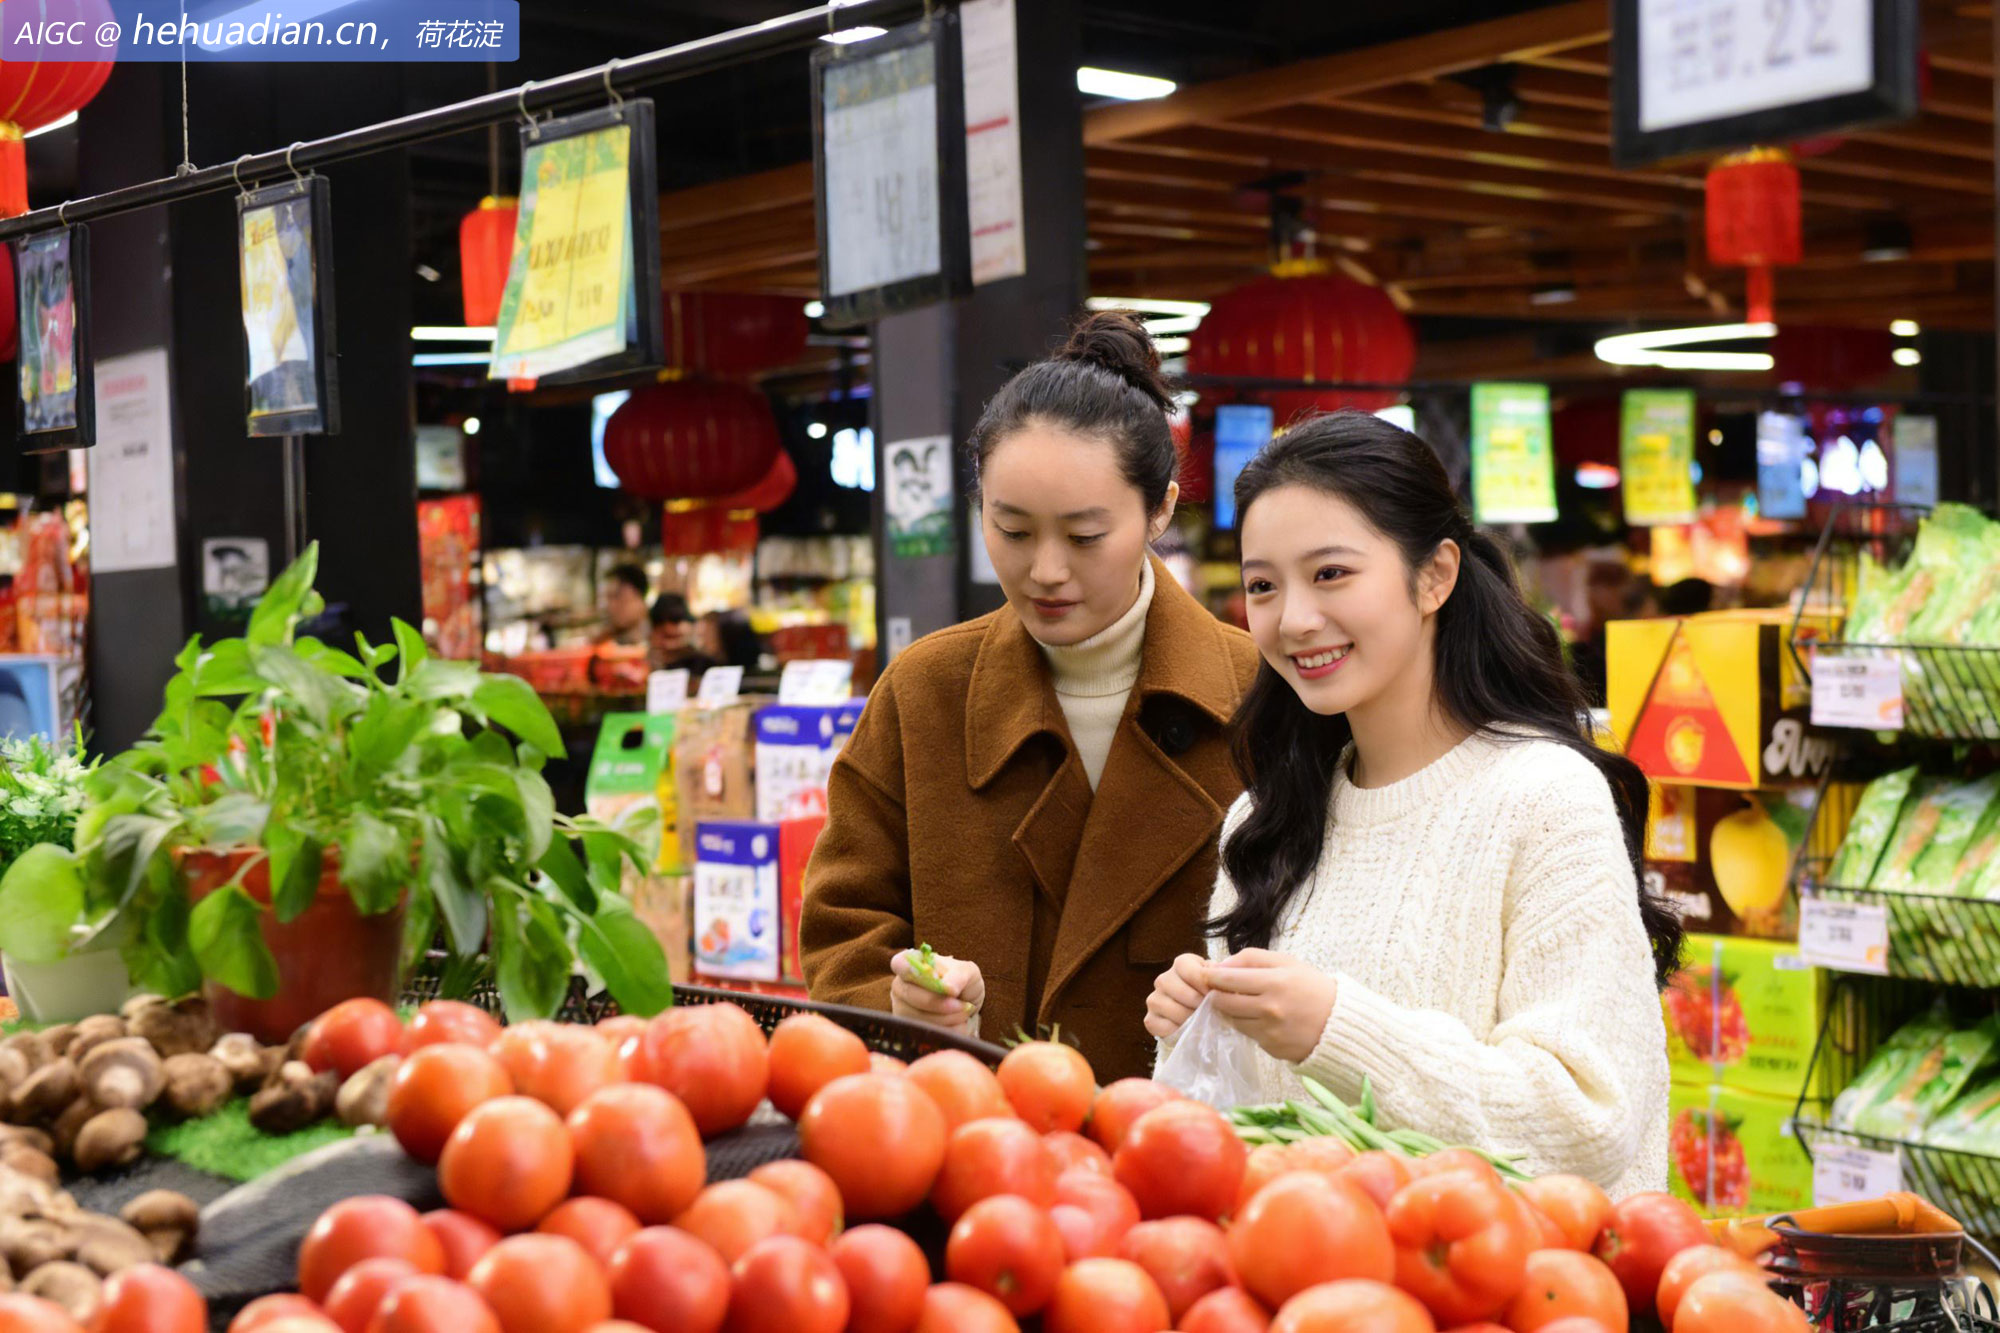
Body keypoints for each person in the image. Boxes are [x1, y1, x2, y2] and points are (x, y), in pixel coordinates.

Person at [1145, 412, 1679, 1196]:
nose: (1293, 618)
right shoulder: (1263, 822)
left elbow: (1585, 1124)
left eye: (1331, 573)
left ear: (1435, 575)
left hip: (1514, 1299)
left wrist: (1337, 1028)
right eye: (1263, 585)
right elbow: (1234, 1140)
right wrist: (1192, 1033)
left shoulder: (1545, 800)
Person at [800, 311, 1261, 1080]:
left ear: (1161, 510)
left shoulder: (1258, 695)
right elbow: (842, 923)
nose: (1045, 570)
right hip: (973, 1146)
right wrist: (901, 998)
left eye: (1084, 537)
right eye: (1011, 530)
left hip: (1182, 1154)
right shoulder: (925, 692)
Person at [649, 594, 718, 674]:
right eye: (666, 636)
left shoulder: (700, 659)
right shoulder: (651, 659)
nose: (668, 645)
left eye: (673, 637)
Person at [597, 565, 650, 648]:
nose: (610, 606)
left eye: (617, 596)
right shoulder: (609, 640)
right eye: (608, 598)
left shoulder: (657, 645)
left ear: (639, 598)